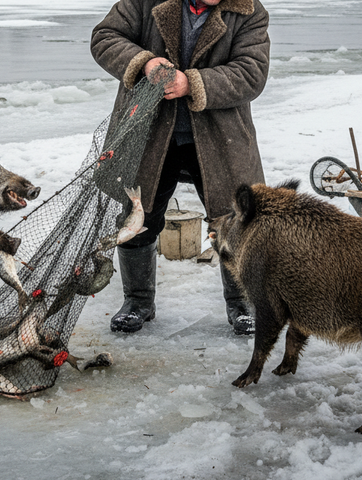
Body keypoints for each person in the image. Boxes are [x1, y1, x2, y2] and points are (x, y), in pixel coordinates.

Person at [91, 0, 270, 335]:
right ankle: (138, 301)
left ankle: (242, 304)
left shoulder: (250, 12)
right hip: (150, 134)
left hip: (222, 139)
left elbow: (251, 73)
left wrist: (192, 84)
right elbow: (105, 37)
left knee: (235, 221)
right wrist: (143, 62)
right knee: (137, 217)